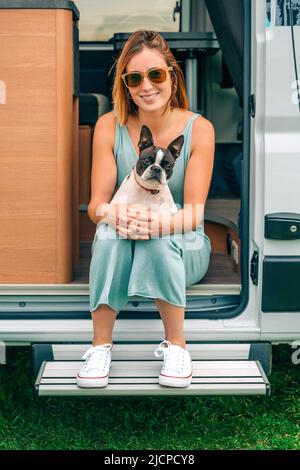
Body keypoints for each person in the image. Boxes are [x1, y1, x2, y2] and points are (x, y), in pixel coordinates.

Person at [77, 30, 215, 389]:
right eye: (135, 78)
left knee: (155, 240)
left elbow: (195, 214)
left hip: (181, 239)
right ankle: (99, 347)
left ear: (172, 74)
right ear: (125, 84)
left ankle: (177, 346)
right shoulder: (109, 125)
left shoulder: (199, 129)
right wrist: (114, 216)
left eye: (155, 75)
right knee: (107, 234)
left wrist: (155, 226)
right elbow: (96, 206)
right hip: (124, 234)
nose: (146, 86)